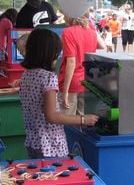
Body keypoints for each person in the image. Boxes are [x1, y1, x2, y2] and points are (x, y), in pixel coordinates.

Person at [19, 29, 98, 158]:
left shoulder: (26, 75)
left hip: (33, 142)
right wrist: (83, 119)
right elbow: (52, 116)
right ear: (49, 53)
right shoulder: (48, 78)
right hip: (51, 145)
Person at [59, 14, 99, 116]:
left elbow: (71, 62)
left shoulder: (68, 32)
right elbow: (102, 45)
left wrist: (65, 91)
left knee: (67, 118)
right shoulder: (92, 32)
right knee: (82, 118)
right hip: (86, 79)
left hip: (72, 81)